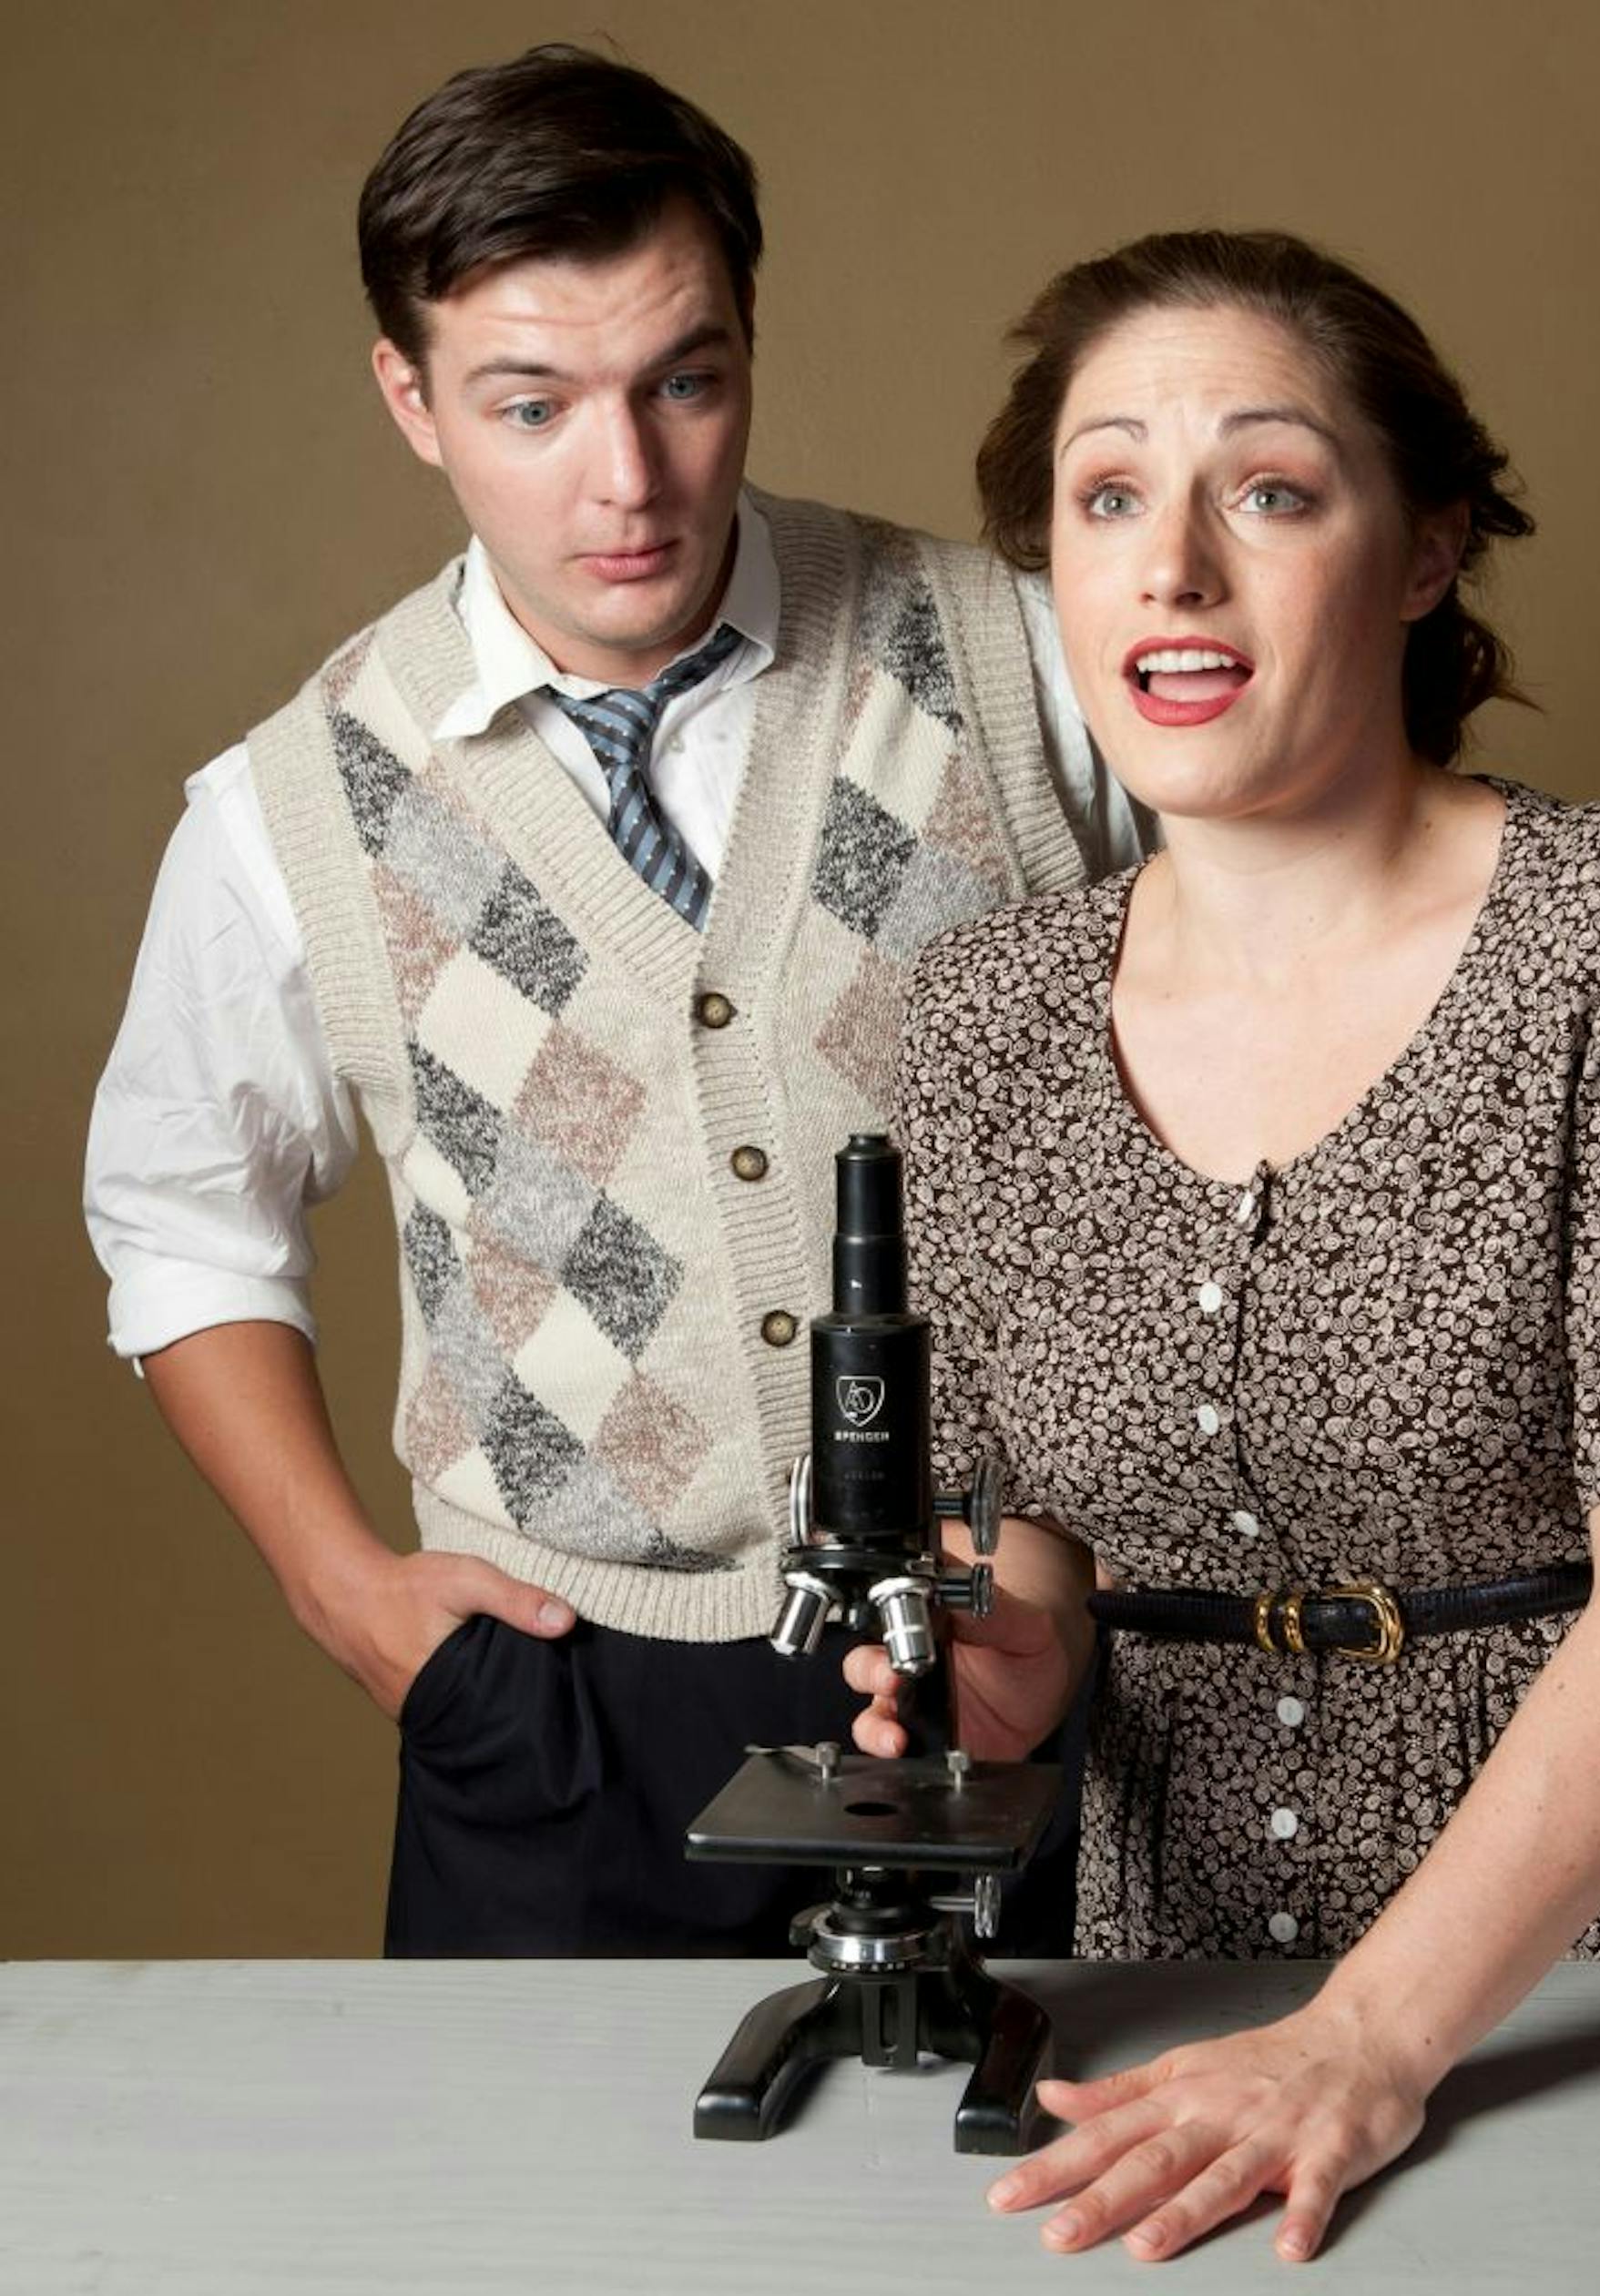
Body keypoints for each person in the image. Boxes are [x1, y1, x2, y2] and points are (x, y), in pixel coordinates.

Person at [845, 229, 1600, 2260]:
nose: (1176, 565)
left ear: (1426, 553)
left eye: (1274, 489)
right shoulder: (979, 1019)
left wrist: (1371, 2036)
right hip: (1184, 1987)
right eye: (1110, 494)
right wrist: (995, 1660)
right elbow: (1028, 1543)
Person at [82, 46, 1141, 1958]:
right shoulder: (295, 805)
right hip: (553, 1707)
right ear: (409, 398)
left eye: (686, 380)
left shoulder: (1021, 662)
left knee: (1033, 2244)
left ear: (747, 337)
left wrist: (1063, 1582)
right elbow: (177, 1212)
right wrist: (349, 1596)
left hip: (1010, 1662)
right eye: (531, 403)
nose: (628, 477)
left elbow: (1280, 1056)